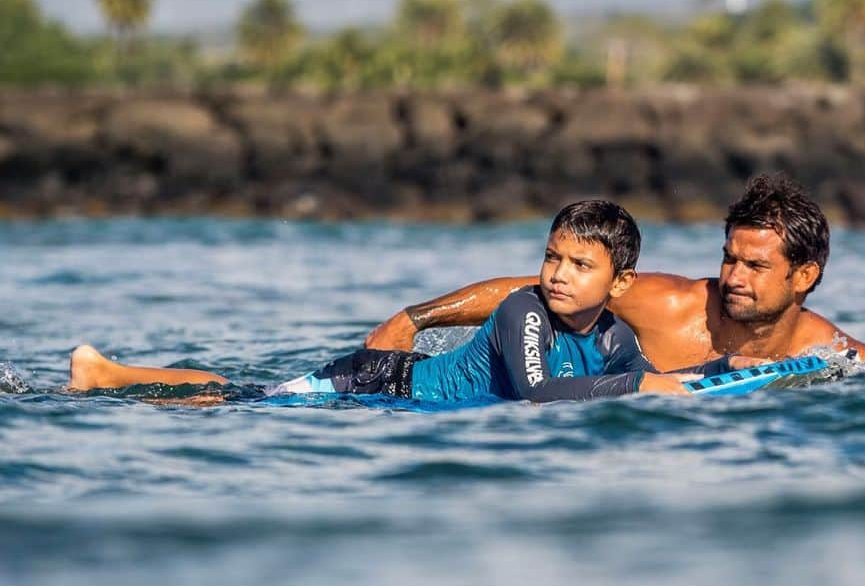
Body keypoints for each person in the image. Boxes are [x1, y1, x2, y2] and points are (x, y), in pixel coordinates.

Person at [67, 200, 730, 402]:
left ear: (618, 283)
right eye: (552, 256)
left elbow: (640, 377)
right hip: (378, 383)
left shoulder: (613, 335)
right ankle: (108, 374)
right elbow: (537, 392)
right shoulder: (521, 311)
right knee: (242, 400)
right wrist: (641, 391)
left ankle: (114, 373)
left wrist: (714, 374)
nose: (557, 274)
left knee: (245, 394)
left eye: (579, 265)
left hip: (399, 401)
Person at [366, 174, 865, 369]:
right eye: (730, 258)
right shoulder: (669, 305)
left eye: (755, 266)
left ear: (803, 276)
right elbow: (539, 289)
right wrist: (413, 320)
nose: (733, 276)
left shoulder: (837, 356)